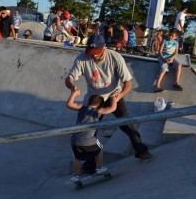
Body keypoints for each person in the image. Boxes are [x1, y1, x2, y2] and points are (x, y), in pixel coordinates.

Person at [65, 34, 153, 163]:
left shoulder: (115, 57)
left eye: (97, 53)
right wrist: (72, 86)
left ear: (104, 47)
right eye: (91, 52)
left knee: (127, 123)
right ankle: (89, 164)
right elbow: (69, 78)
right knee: (89, 130)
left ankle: (141, 150)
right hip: (94, 99)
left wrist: (119, 96)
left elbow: (128, 82)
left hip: (114, 95)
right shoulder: (82, 58)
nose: (94, 55)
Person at [67, 89, 118, 182]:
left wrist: (74, 93)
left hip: (75, 140)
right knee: (99, 149)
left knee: (77, 158)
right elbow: (112, 108)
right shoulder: (98, 111)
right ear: (100, 105)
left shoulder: (81, 107)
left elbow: (69, 104)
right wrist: (113, 97)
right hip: (88, 140)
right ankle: (99, 168)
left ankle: (76, 176)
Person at [155, 28, 183, 92]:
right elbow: (160, 51)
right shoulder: (165, 40)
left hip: (171, 57)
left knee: (179, 65)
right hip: (163, 57)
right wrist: (163, 59)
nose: (170, 36)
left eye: (172, 35)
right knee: (164, 70)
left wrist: (172, 58)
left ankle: (176, 81)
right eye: (169, 35)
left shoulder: (176, 43)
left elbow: (176, 53)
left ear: (175, 37)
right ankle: (157, 86)